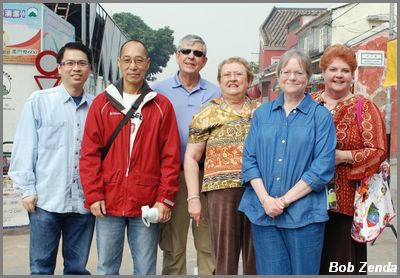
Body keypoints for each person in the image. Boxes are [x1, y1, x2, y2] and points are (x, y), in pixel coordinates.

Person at [79, 39, 180, 275]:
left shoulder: (161, 106)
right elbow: (89, 154)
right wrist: (93, 195)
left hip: (146, 202)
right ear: (119, 64)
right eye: (127, 60)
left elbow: (170, 157)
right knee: (106, 268)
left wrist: (164, 199)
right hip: (108, 201)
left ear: (147, 64)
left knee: (145, 269)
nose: (132, 66)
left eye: (138, 60)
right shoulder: (102, 104)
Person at [238, 49, 337, 275]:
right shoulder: (262, 114)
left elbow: (322, 168)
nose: (292, 77)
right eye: (286, 72)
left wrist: (282, 202)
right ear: (278, 75)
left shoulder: (320, 116)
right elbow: (249, 160)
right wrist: (266, 200)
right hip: (264, 213)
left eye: (299, 73)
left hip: (305, 214)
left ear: (308, 78)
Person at [8, 42, 95, 275]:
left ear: (89, 69)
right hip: (46, 201)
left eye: (82, 63)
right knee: (41, 267)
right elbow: (26, 146)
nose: (76, 68)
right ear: (59, 68)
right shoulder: (39, 101)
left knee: (77, 268)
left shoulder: (97, 106)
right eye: (70, 63)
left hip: (83, 204)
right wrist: (27, 189)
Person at [312, 44, 387, 275]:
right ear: (323, 73)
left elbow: (378, 150)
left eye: (345, 70)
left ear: (352, 75)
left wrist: (343, 157)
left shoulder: (364, 107)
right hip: (307, 199)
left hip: (347, 203)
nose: (338, 75)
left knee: (343, 264)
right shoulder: (309, 104)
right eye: (333, 69)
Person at [152, 34, 220, 275]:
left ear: (204, 60)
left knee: (208, 243)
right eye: (186, 51)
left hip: (208, 176)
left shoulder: (215, 91)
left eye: (197, 53)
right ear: (177, 55)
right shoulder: (157, 90)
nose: (191, 56)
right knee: (173, 244)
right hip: (171, 177)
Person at [184, 57, 258, 275]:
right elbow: (191, 157)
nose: (233, 79)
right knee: (224, 257)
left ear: (249, 80)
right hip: (220, 193)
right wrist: (193, 198)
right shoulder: (207, 113)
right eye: (227, 75)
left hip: (258, 191)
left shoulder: (262, 111)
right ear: (219, 80)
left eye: (238, 74)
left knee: (256, 256)